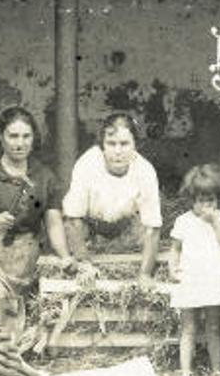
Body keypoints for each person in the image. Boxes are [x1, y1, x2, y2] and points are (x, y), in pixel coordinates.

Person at [0, 106, 71, 287]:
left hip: (25, 258)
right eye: (13, 136)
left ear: (33, 137)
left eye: (26, 136)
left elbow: (53, 224)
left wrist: (65, 257)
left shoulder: (44, 177)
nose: (20, 143)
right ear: (1, 137)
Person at [61, 113, 163, 284]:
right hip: (90, 229)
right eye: (111, 143)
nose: (117, 151)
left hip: (127, 229)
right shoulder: (87, 164)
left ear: (135, 145)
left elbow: (153, 227)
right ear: (102, 145)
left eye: (124, 144)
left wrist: (145, 273)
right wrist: (84, 264)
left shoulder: (145, 170)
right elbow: (72, 219)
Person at [168, 164, 220, 376]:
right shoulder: (183, 221)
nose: (206, 205)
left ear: (218, 199)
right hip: (191, 278)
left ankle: (217, 371)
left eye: (211, 200)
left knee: (213, 325)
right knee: (188, 326)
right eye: (201, 200)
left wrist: (215, 222)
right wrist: (172, 268)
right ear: (192, 200)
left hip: (213, 278)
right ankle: (185, 373)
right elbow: (175, 248)